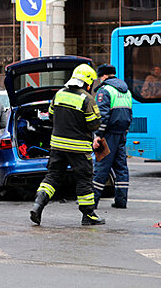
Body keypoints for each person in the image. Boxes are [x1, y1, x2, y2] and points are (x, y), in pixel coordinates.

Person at [30, 64, 104, 226]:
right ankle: (88, 215)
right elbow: (94, 124)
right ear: (88, 83)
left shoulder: (59, 94)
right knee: (84, 179)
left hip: (57, 146)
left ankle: (38, 205)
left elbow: (50, 116)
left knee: (52, 177)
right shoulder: (87, 98)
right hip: (78, 148)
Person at [92, 64, 133, 209]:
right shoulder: (126, 90)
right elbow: (129, 113)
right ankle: (121, 201)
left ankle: (92, 202)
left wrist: (97, 135)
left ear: (103, 76)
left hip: (108, 135)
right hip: (121, 134)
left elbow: (102, 116)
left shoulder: (105, 91)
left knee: (101, 167)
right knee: (121, 168)